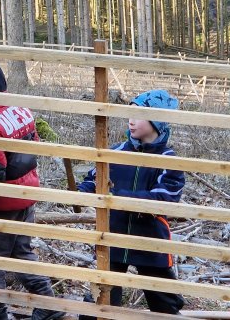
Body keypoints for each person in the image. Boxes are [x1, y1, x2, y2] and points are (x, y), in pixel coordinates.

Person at [0, 57, 64, 320]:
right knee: (21, 253)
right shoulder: (21, 110)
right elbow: (35, 147)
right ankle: (47, 305)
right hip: (25, 197)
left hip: (1, 206)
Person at [77, 89, 185, 316]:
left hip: (150, 240)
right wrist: (79, 193)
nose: (131, 120)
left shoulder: (168, 161)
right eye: (129, 113)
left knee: (164, 303)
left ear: (157, 122)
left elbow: (164, 198)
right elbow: (94, 180)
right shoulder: (115, 152)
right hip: (113, 237)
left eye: (138, 115)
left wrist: (117, 198)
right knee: (100, 300)